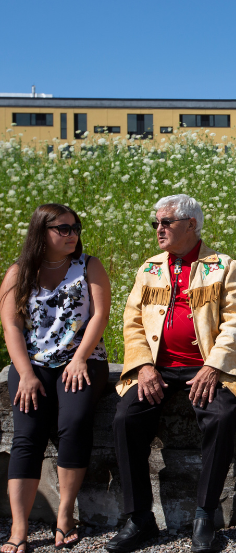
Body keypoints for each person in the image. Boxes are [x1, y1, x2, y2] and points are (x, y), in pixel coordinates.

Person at [107, 194, 236, 553]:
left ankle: (204, 516)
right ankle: (139, 517)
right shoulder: (150, 268)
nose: (159, 228)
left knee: (222, 416)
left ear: (191, 224)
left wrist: (213, 366)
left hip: (207, 367)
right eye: (156, 222)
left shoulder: (224, 266)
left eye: (166, 222)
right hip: (156, 367)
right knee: (125, 418)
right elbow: (133, 322)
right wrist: (142, 366)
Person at [0, 204, 110, 553]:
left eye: (75, 227)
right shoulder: (19, 272)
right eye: (63, 228)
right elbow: (12, 325)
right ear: (41, 231)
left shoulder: (88, 266)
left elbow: (100, 315)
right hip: (34, 364)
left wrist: (79, 359)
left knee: (74, 423)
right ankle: (19, 530)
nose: (72, 234)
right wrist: (26, 374)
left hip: (83, 360)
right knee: (27, 437)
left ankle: (65, 516)